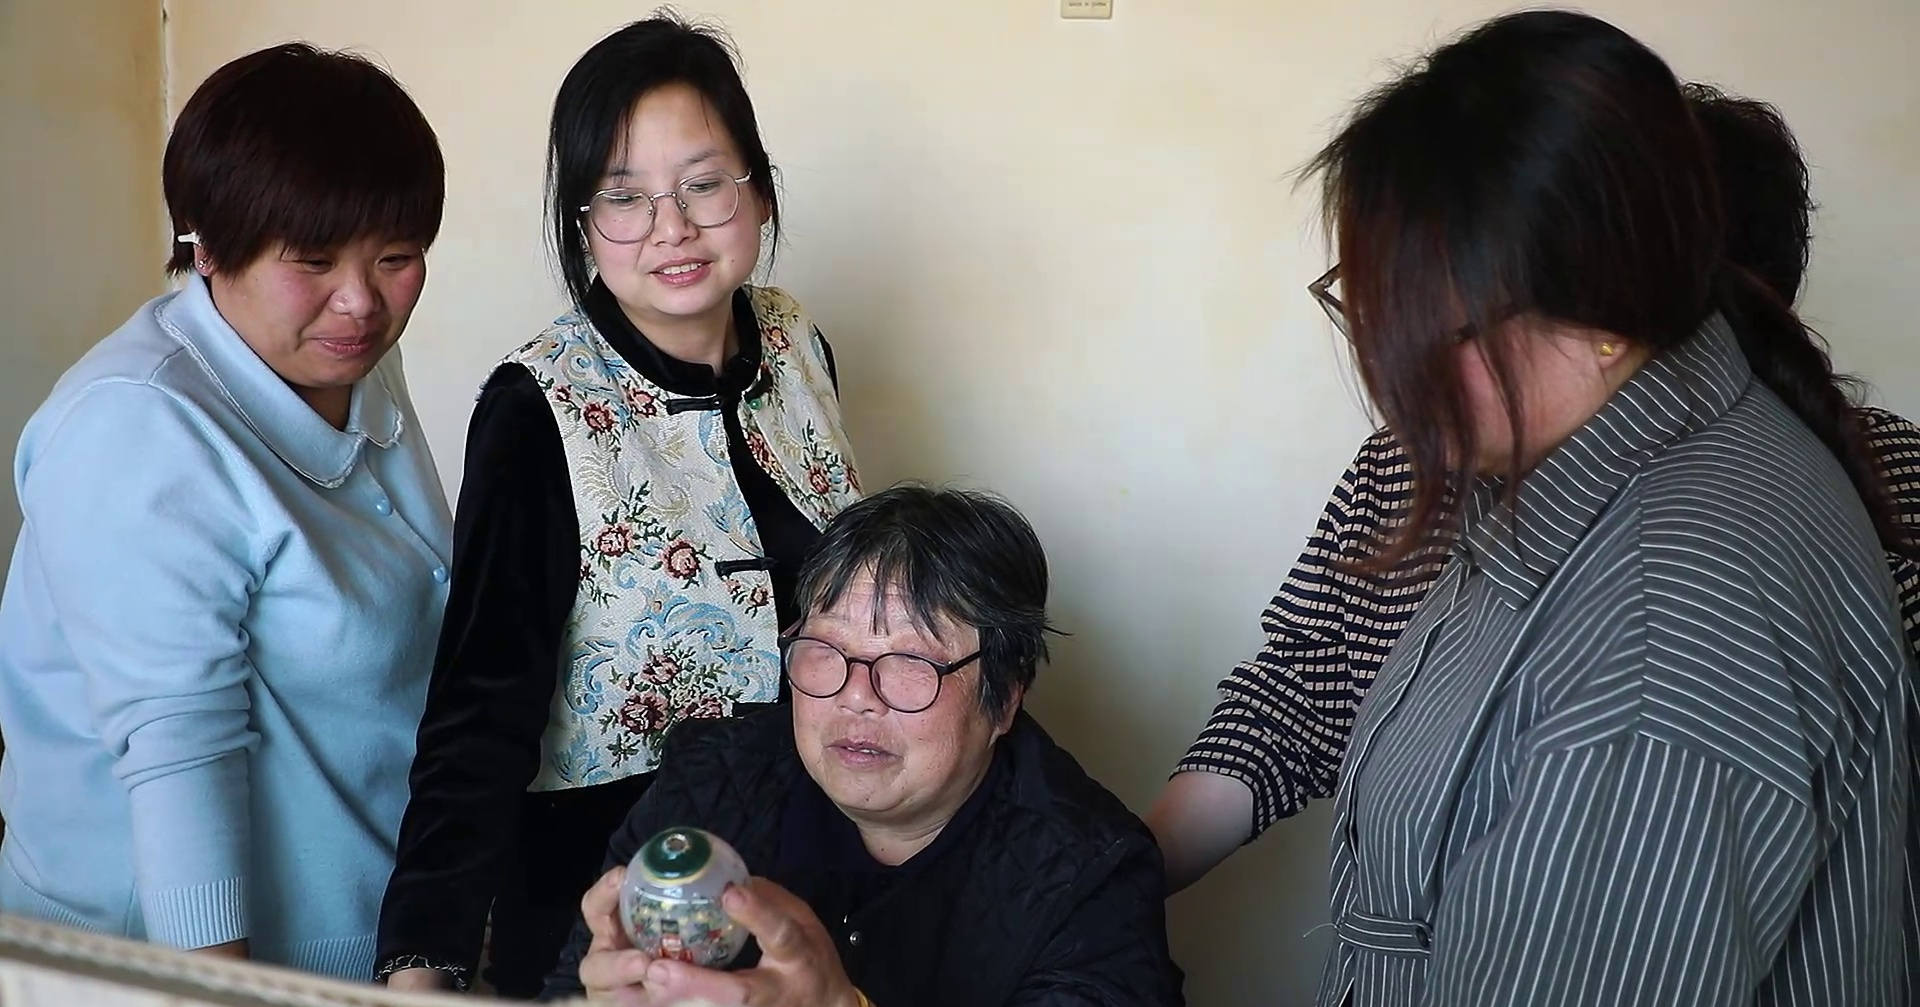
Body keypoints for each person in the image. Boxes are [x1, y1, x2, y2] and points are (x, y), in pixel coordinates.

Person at [1258, 11, 1912, 1004]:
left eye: (1413, 316)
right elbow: (1302, 680)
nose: (1385, 368)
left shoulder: (1661, 644)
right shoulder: (1575, 475)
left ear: (1599, 310)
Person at [377, 14, 862, 996]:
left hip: (809, 868)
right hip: (608, 900)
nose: (671, 227)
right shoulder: (537, 404)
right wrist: (421, 965)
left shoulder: (797, 341)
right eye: (625, 196)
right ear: (582, 223)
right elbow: (480, 704)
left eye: (703, 184)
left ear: (759, 189)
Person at [0, 44, 450, 979]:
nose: (360, 301)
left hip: (377, 933)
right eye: (313, 260)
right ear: (204, 246)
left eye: (397, 257)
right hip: (175, 961)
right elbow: (179, 757)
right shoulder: (135, 428)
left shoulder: (343, 354)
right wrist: (216, 989)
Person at [543, 485, 1185, 1006]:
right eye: (826, 649)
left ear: (1005, 697)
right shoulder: (709, 782)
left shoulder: (1093, 877)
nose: (855, 696)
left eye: (910, 662)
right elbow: (568, 985)